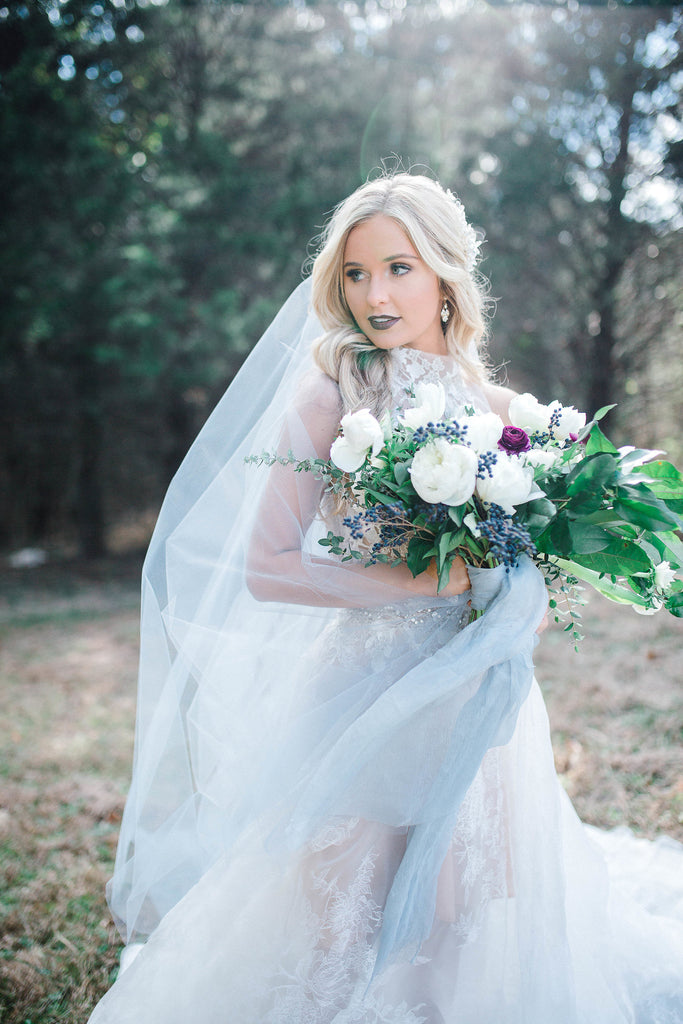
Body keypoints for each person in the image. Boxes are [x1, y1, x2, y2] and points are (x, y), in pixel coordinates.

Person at [88, 173, 683, 1023]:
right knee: (342, 917)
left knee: (469, 911)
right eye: (357, 274)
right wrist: (434, 577)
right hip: (365, 693)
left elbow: (548, 550)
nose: (374, 294)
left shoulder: (501, 415)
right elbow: (266, 565)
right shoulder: (331, 396)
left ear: (445, 277)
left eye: (398, 268)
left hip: (474, 693)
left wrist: (523, 588)